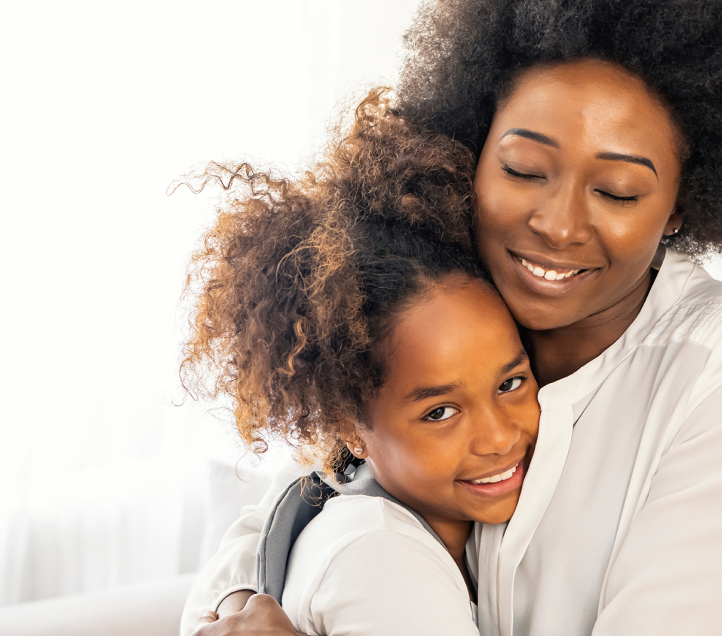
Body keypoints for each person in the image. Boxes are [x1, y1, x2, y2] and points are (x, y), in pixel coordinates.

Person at [184, 0, 722, 635]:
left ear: (678, 206)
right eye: (525, 170)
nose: (556, 226)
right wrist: (245, 598)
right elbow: (297, 506)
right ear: (475, 153)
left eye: (617, 191)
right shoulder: (464, 310)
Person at [180, 91, 541, 635]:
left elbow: (262, 524)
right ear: (350, 428)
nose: (497, 436)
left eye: (510, 381)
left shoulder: (360, 502)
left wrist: (234, 596)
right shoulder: (383, 555)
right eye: (440, 412)